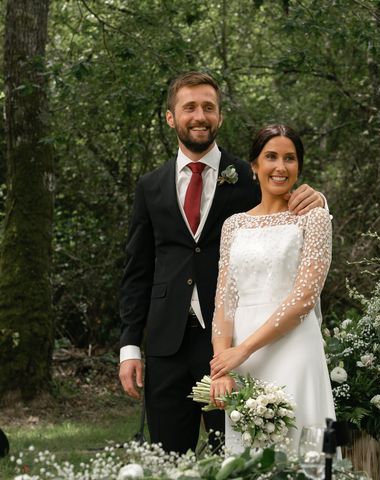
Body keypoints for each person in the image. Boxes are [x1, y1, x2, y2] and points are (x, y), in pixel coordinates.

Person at [118, 72, 325, 454]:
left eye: (208, 107)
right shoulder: (150, 186)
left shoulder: (252, 175)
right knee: (168, 457)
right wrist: (130, 345)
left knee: (234, 453)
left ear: (220, 117)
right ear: (170, 117)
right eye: (190, 107)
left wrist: (316, 197)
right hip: (167, 342)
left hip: (234, 342)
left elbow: (286, 207)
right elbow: (138, 268)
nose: (200, 116)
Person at [208, 124, 336, 452]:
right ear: (254, 165)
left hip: (295, 349)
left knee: (304, 452)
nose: (280, 167)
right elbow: (224, 301)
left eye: (290, 158)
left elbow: (305, 297)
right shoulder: (233, 225)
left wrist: (244, 349)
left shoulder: (314, 218)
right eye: (271, 157)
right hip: (242, 359)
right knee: (250, 457)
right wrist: (222, 363)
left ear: (299, 167)